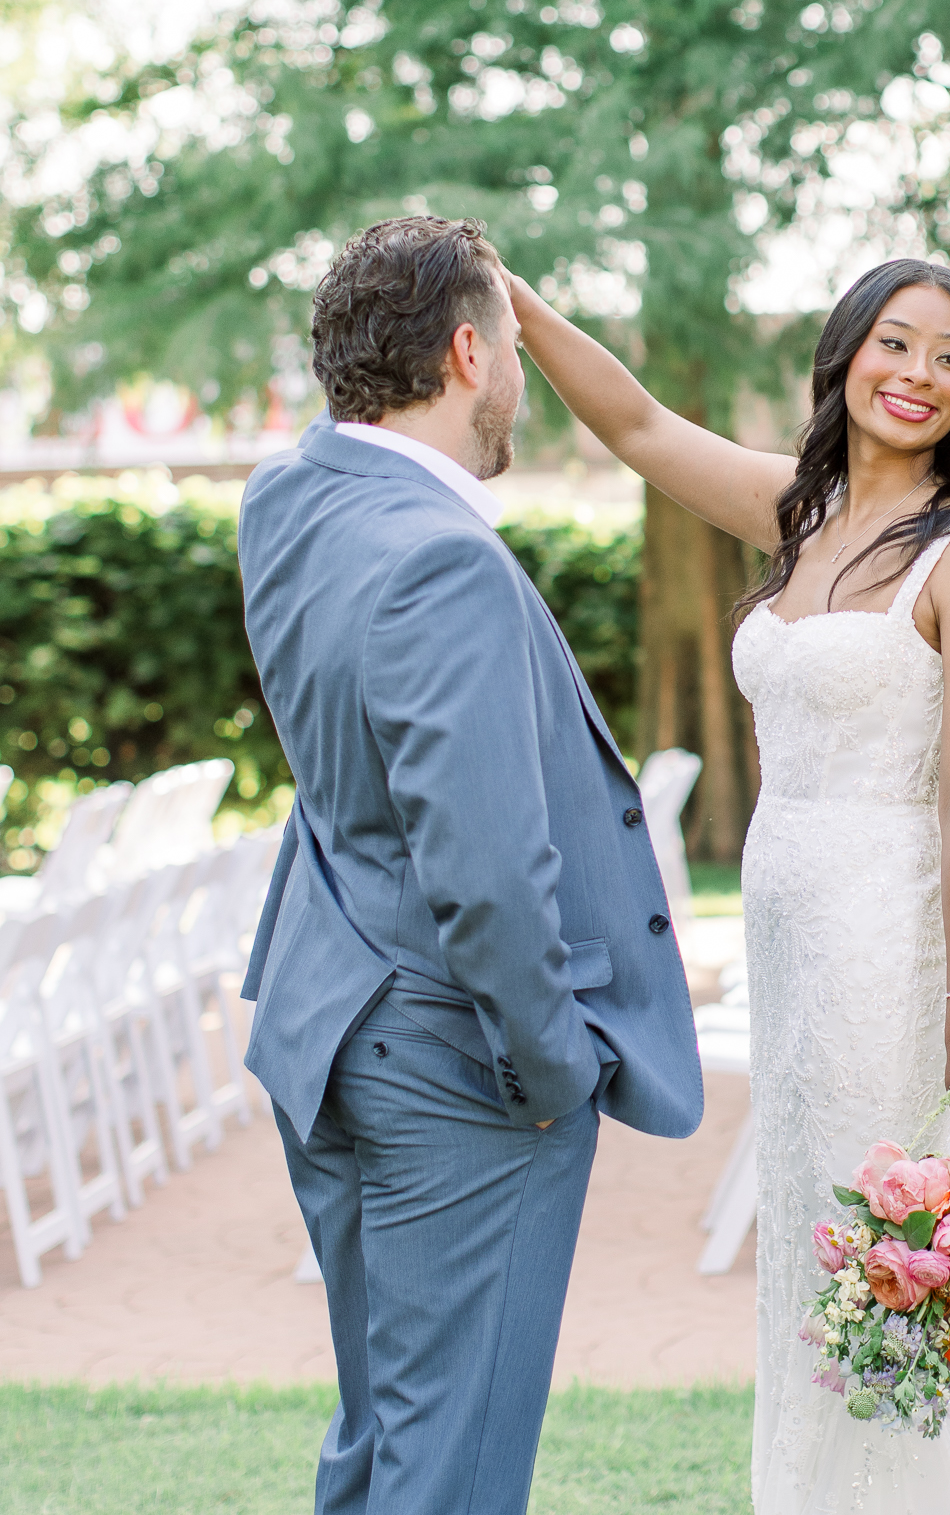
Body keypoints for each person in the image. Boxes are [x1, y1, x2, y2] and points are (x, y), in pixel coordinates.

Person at [506, 253, 950, 1513]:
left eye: (949, 357)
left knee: (900, 1260)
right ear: (842, 357)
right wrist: (519, 309)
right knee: (816, 1251)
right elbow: (639, 425)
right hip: (793, 948)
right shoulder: (799, 515)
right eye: (895, 342)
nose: (918, 374)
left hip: (892, 945)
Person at [238, 216, 702, 1515]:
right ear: (464, 354)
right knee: (453, 1477)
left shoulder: (289, 500)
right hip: (457, 1076)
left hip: (328, 1029)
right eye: (509, 347)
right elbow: (489, 872)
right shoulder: (444, 561)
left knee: (385, 1445)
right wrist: (555, 1067)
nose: (518, 378)